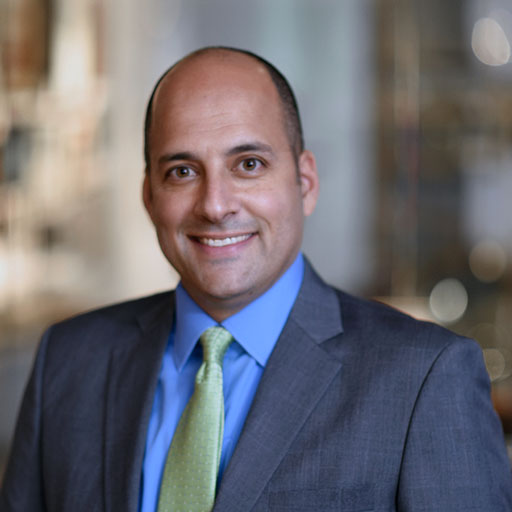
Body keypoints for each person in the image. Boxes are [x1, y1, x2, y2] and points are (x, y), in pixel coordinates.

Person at [1, 46, 511, 512]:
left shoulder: (424, 378)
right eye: (182, 171)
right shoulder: (67, 361)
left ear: (305, 183)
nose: (215, 205)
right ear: (149, 196)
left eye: (248, 164)